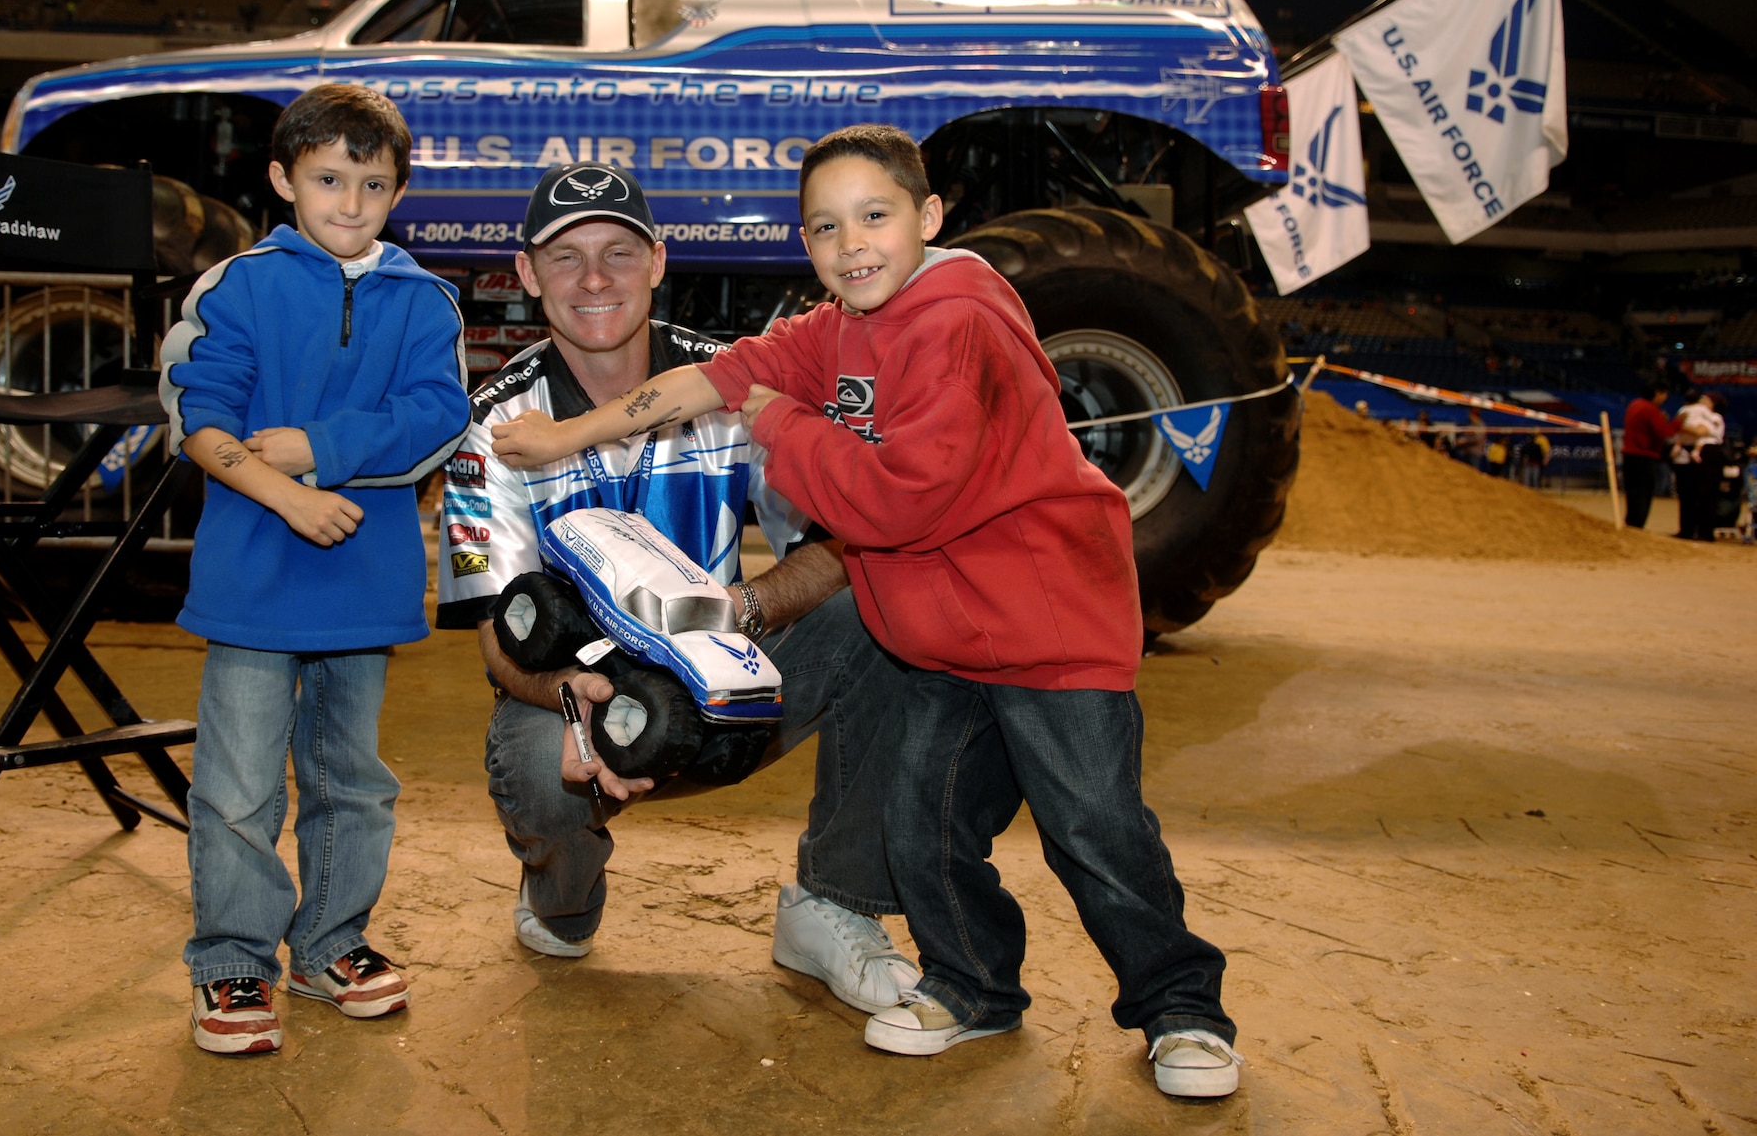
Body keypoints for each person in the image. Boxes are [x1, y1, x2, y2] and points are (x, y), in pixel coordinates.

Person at [491, 126, 1240, 1101]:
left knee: (1092, 832)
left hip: (1047, 638)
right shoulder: (840, 324)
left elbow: (897, 500)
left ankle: (1180, 1009)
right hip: (936, 640)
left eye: (874, 218)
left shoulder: (956, 322)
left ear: (927, 219)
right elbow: (706, 380)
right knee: (924, 826)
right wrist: (564, 439)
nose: (850, 244)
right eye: (824, 226)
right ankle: (970, 987)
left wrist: (776, 418)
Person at [436, 162, 921, 1017]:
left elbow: (843, 540)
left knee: (884, 609)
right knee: (532, 764)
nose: (595, 280)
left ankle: (832, 902)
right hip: (586, 708)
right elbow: (497, 638)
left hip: (732, 684)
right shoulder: (494, 425)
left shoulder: (735, 386)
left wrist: (746, 609)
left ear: (659, 260)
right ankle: (563, 895)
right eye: (566, 257)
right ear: (525, 274)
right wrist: (571, 692)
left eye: (619, 253)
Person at [159, 83, 469, 1055]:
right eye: (328, 178)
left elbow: (436, 417)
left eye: (371, 185)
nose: (348, 202)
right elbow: (199, 420)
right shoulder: (237, 287)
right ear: (282, 178)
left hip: (361, 592)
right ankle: (232, 960)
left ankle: (331, 943)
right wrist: (287, 493)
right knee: (238, 785)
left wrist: (318, 447)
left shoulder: (424, 298)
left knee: (352, 783)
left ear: (397, 192)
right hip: (253, 584)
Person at [1621, 382, 1679, 530]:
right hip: (1644, 456)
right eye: (1664, 394)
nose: (1665, 397)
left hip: (1629, 454)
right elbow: (1663, 432)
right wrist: (1678, 422)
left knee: (1633, 491)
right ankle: (1637, 523)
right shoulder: (1651, 410)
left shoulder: (1634, 405)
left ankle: (1632, 522)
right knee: (1644, 492)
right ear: (1657, 393)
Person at [1673, 389, 1726, 541]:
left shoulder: (1714, 417)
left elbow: (1700, 432)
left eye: (1706, 400)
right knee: (1688, 493)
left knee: (1706, 494)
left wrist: (1681, 426)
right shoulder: (1694, 412)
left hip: (1709, 452)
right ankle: (1687, 529)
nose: (1702, 401)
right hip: (1692, 452)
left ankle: (1705, 532)